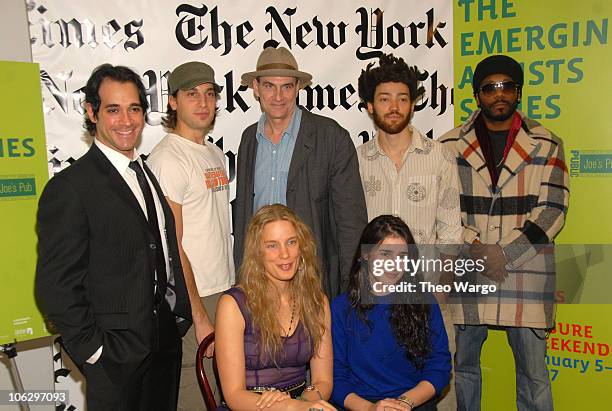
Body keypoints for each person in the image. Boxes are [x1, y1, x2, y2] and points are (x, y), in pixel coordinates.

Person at [35, 64, 192, 411]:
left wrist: (177, 316)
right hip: (115, 356)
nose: (126, 121)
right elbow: (56, 285)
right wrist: (95, 351)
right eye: (113, 109)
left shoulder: (144, 170)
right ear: (91, 113)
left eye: (134, 108)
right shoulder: (71, 187)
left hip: (164, 342)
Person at [439, 54, 569, 411]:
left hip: (525, 272)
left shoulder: (547, 143)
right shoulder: (449, 146)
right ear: (477, 95)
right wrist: (476, 247)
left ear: (518, 91)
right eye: (489, 87)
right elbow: (445, 208)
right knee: (460, 370)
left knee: (533, 375)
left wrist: (504, 253)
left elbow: (554, 210)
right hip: (470, 268)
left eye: (506, 86)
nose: (499, 94)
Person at [355, 53, 462, 409]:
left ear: (413, 103)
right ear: (370, 106)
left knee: (437, 388)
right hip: (373, 301)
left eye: (403, 98)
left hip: (427, 295)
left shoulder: (440, 157)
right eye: (384, 99)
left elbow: (450, 231)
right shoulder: (355, 161)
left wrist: (440, 292)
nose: (394, 107)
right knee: (379, 390)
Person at [233, 46, 367, 298]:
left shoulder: (332, 137)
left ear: (298, 88)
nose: (278, 96)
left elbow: (351, 222)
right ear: (256, 88)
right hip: (259, 279)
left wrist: (354, 287)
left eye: (287, 86)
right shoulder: (249, 139)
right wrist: (242, 280)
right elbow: (242, 215)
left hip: (311, 278)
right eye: (270, 86)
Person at [147, 61, 235, 410]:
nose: (203, 102)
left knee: (221, 395)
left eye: (209, 94)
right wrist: (197, 315)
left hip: (223, 291)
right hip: (191, 299)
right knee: (193, 395)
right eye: (191, 94)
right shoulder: (169, 158)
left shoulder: (212, 153)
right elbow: (172, 247)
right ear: (173, 102)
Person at [215, 204, 336, 410]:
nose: (285, 254)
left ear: (302, 246)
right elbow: (234, 395)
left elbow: (323, 380)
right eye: (272, 245)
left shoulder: (317, 302)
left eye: (291, 242)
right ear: (257, 253)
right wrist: (289, 407)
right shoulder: (233, 305)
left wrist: (303, 402)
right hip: (251, 405)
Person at [331, 215, 451, 410]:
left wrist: (403, 403)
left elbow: (439, 367)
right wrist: (371, 409)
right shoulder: (340, 308)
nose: (394, 264)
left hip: (413, 401)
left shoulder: (424, 302)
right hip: (360, 405)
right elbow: (336, 377)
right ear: (366, 255)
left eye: (402, 256)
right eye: (385, 254)